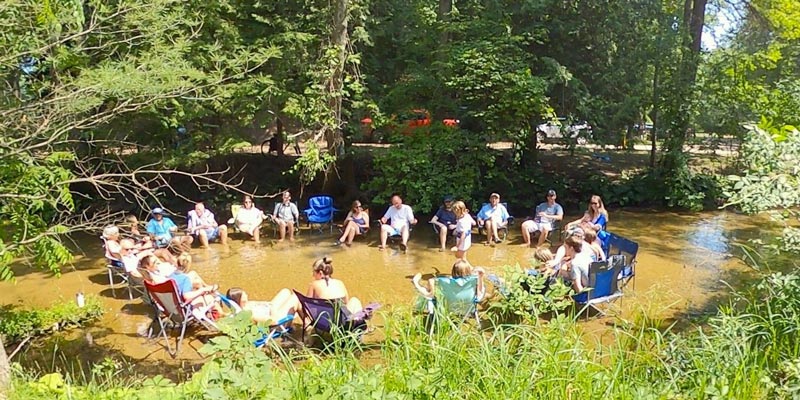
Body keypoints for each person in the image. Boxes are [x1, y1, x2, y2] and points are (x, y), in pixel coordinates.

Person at [411, 260, 486, 304]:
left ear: (453, 271)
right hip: (468, 309)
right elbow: (479, 294)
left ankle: (416, 283)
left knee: (429, 293)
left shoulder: (444, 281)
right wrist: (481, 277)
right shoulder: (473, 281)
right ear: (468, 271)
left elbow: (429, 295)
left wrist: (430, 283)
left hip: (448, 309)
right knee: (482, 289)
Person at [225, 287, 299, 324]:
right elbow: (273, 321)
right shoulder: (251, 315)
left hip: (269, 310)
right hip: (278, 320)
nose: (246, 294)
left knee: (285, 291)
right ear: (240, 300)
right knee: (295, 297)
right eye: (244, 294)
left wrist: (268, 305)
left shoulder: (239, 309)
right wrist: (272, 308)